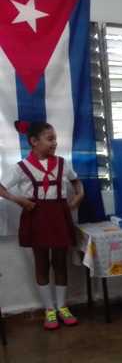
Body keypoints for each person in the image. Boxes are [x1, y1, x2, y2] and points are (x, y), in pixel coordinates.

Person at [0, 121, 84, 330]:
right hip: (36, 215)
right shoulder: (21, 168)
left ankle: (62, 306)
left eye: (55, 138)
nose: (55, 143)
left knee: (60, 262)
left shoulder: (63, 164)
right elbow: (1, 188)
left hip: (59, 214)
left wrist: (79, 195)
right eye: (50, 139)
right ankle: (49, 309)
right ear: (34, 142)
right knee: (41, 262)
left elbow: (76, 182)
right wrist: (19, 200)